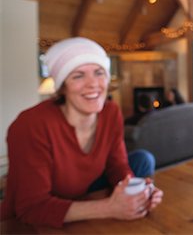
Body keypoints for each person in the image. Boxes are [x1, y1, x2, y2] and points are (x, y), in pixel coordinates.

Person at [0, 37, 164, 228]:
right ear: (63, 86)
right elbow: (31, 208)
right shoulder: (30, 125)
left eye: (98, 72)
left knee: (143, 159)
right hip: (29, 221)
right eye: (78, 76)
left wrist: (139, 192)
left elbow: (117, 166)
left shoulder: (111, 112)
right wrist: (109, 208)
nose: (93, 84)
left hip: (82, 191)